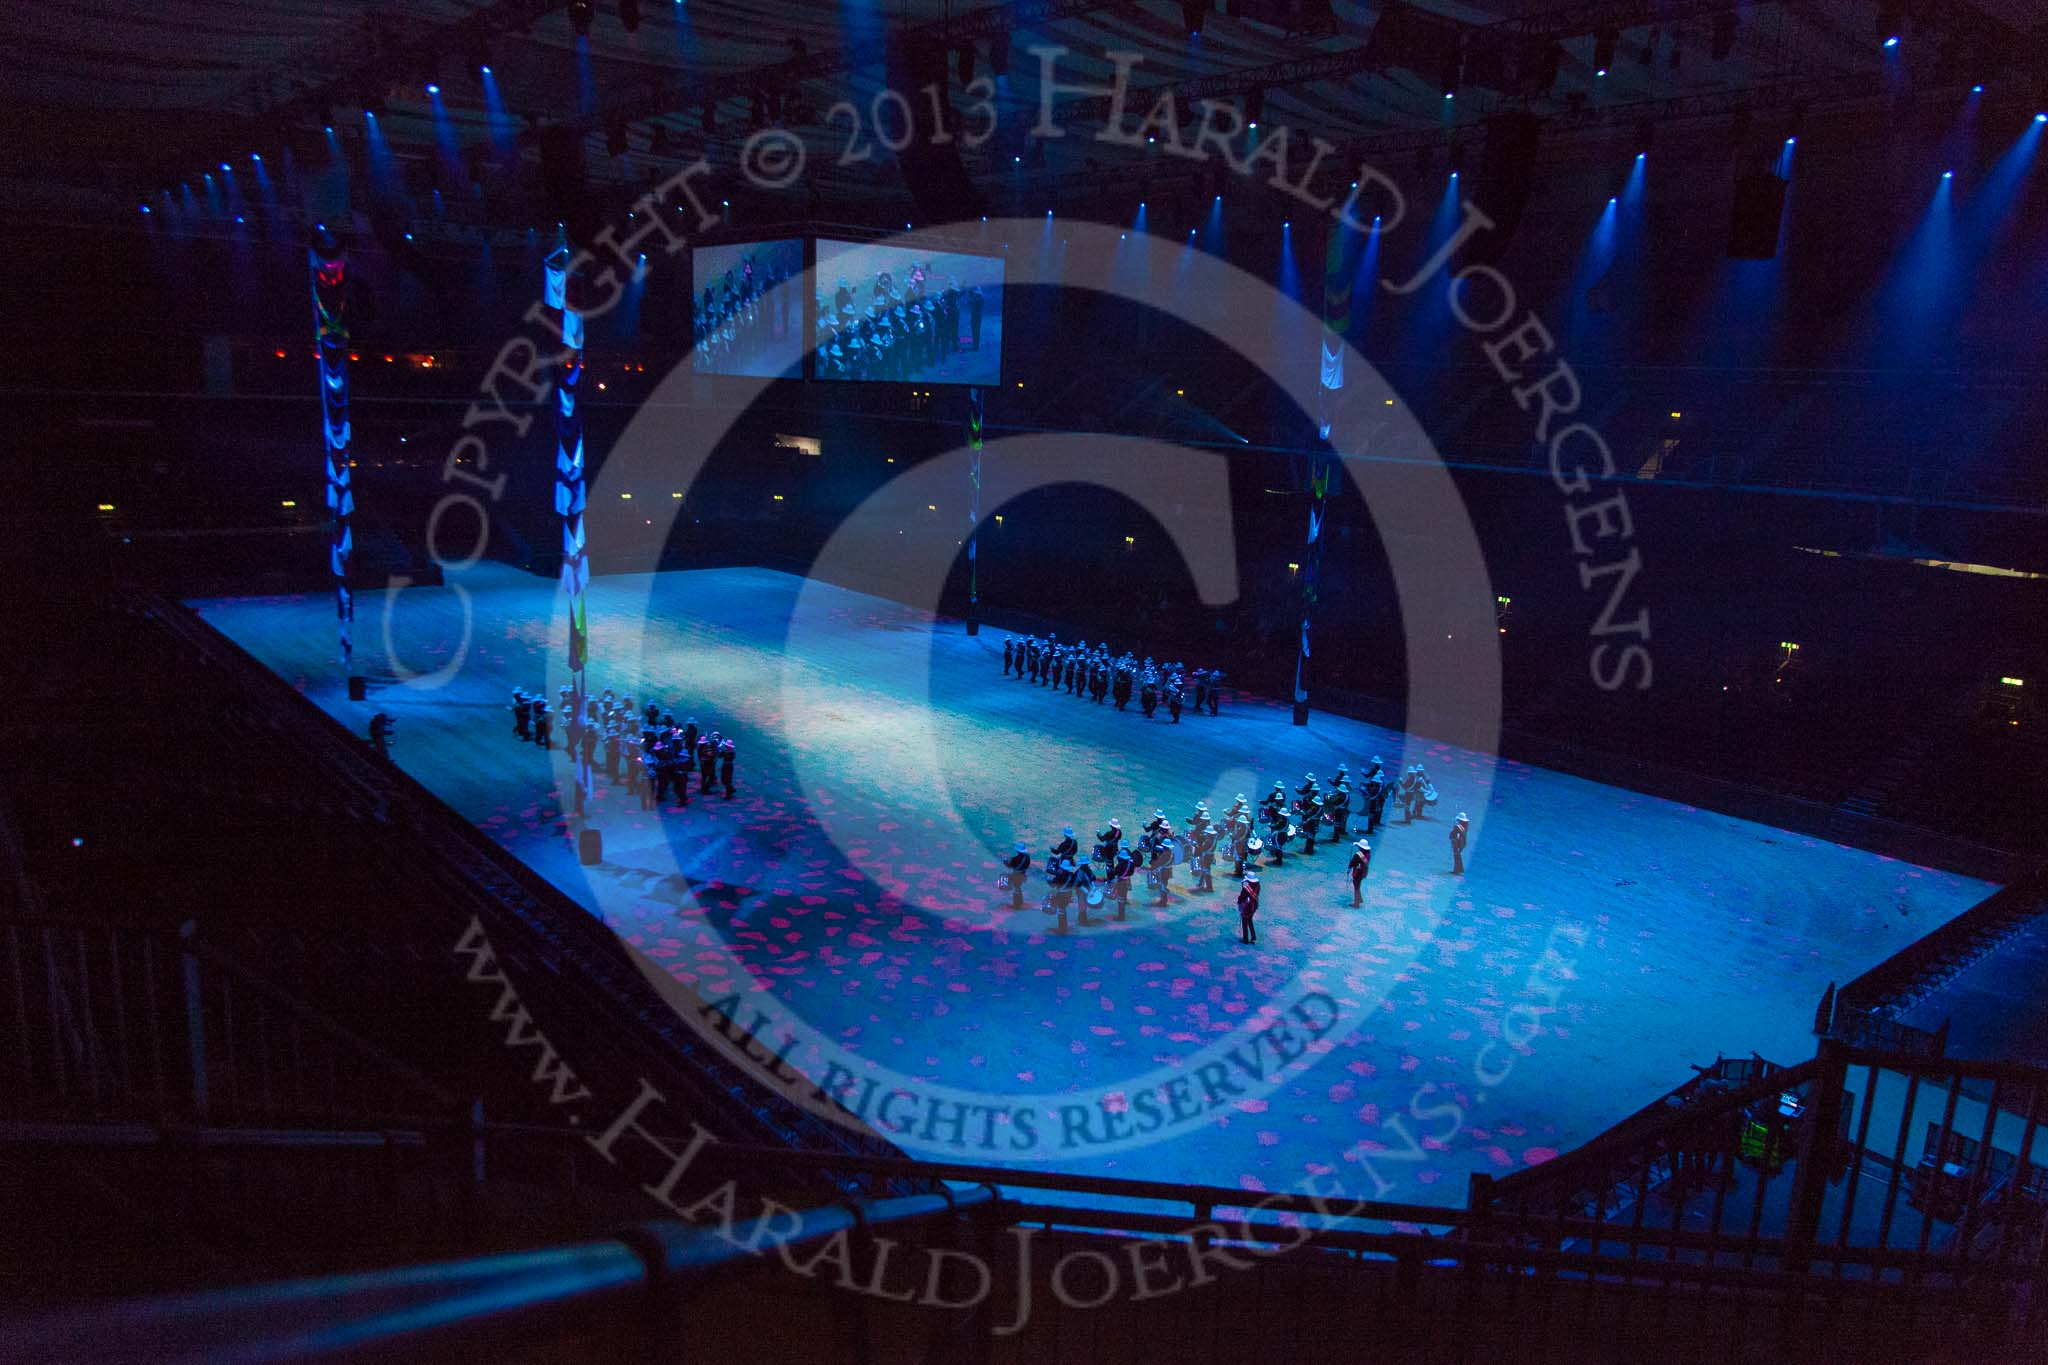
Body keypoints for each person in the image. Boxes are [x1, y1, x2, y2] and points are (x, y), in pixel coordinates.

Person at [1003, 841, 1031, 909]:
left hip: (1017, 874)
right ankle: (1019, 903)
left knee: (1016, 888)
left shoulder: (1016, 859)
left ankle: (1017, 904)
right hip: (1023, 873)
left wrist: (1005, 862)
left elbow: (1010, 866)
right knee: (1018, 887)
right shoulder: (1027, 857)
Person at [1237, 871, 1261, 944]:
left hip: (1248, 907)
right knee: (1249, 920)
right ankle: (1253, 937)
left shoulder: (1246, 889)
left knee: (1245, 922)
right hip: (1254, 905)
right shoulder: (1258, 886)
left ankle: (1245, 939)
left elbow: (1241, 898)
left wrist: (1240, 903)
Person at [1348, 839, 1372, 906]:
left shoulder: (1358, 855)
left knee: (1356, 888)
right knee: (1358, 886)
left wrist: (1349, 868)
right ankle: (1360, 899)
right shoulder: (1368, 854)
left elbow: (1352, 862)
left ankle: (1356, 904)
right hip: (1363, 872)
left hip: (1357, 873)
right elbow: (1366, 864)